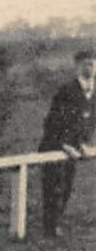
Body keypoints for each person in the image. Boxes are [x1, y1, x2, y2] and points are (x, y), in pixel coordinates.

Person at [38, 49, 96, 238]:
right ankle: (50, 228)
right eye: (86, 63)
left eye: (93, 63)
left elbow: (90, 122)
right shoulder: (67, 91)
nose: (90, 67)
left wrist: (83, 144)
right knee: (54, 186)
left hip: (75, 147)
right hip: (55, 145)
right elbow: (53, 122)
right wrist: (64, 145)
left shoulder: (94, 92)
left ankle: (55, 223)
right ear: (78, 66)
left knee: (66, 187)